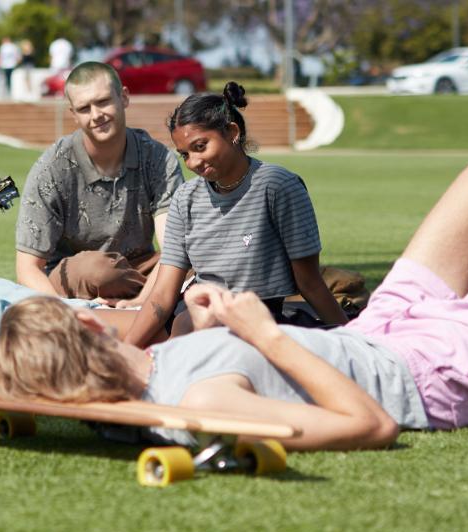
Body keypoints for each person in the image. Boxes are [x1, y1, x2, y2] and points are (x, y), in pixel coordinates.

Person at [0, 159, 468, 451]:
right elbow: (370, 426)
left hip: (375, 333)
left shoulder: (161, 368)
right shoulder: (199, 401)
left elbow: (228, 366)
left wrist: (210, 321)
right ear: (88, 322)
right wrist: (264, 334)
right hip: (428, 373)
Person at [123, 82, 347, 348]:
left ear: (232, 132)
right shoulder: (186, 197)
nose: (193, 162)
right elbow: (162, 295)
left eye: (200, 146)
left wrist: (353, 340)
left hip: (252, 324)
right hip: (192, 312)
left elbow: (310, 283)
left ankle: (166, 366)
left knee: (185, 329)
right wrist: (127, 350)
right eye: (185, 154)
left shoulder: (277, 186)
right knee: (83, 327)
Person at [15, 61, 183, 306]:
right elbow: (27, 268)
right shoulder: (52, 167)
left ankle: (135, 303)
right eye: (84, 108)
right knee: (99, 271)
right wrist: (68, 313)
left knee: (202, 260)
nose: (96, 115)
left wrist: (141, 302)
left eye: (103, 101)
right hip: (75, 275)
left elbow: (172, 249)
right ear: (73, 114)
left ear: (124, 97)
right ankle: (158, 301)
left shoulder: (158, 158)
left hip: (140, 269)